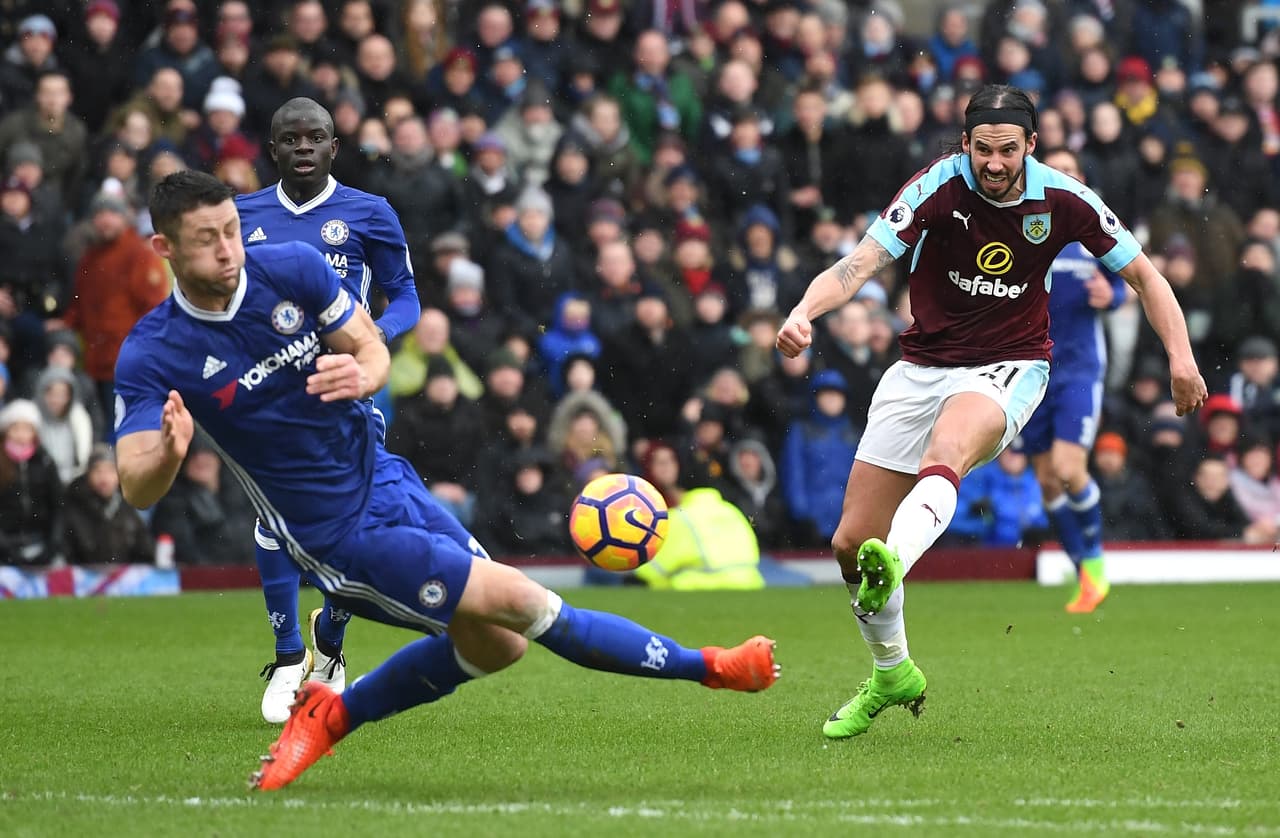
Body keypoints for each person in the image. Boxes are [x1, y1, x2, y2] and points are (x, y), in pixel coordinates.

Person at [114, 171, 778, 791]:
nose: (229, 250)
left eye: (232, 229)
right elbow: (136, 487)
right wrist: (170, 455)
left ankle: (328, 716)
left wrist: (366, 372)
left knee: (498, 644)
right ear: (164, 247)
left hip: (387, 482)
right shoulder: (153, 350)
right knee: (523, 602)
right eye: (207, 239)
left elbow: (370, 345)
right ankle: (714, 667)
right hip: (334, 537)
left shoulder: (291, 267)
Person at [775, 85, 1206, 740]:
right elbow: (857, 264)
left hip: (1009, 367)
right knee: (846, 544)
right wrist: (803, 312)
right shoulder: (935, 189)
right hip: (919, 368)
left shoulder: (1063, 198)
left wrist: (1181, 358)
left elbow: (1147, 276)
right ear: (965, 145)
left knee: (944, 454)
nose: (995, 163)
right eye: (983, 150)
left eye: (1008, 150)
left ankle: (898, 555)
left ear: (1031, 146)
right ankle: (892, 673)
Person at [234, 99, 421, 724]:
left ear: (334, 147)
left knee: (348, 529)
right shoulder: (243, 216)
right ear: (274, 148)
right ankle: (289, 657)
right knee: (272, 519)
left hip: (349, 387)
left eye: (316, 137)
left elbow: (408, 295)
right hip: (271, 395)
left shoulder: (370, 212)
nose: (305, 147)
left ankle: (330, 648)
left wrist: (374, 336)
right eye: (292, 139)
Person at [1019, 147, 1130, 614]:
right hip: (1028, 368)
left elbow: (1126, 281)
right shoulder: (1025, 227)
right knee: (1046, 483)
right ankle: (1084, 572)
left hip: (1079, 370)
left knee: (1068, 469)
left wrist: (1115, 294)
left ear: (1081, 178)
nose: (1062, 177)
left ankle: (1096, 567)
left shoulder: (1093, 230)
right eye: (1054, 170)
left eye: (1071, 171)